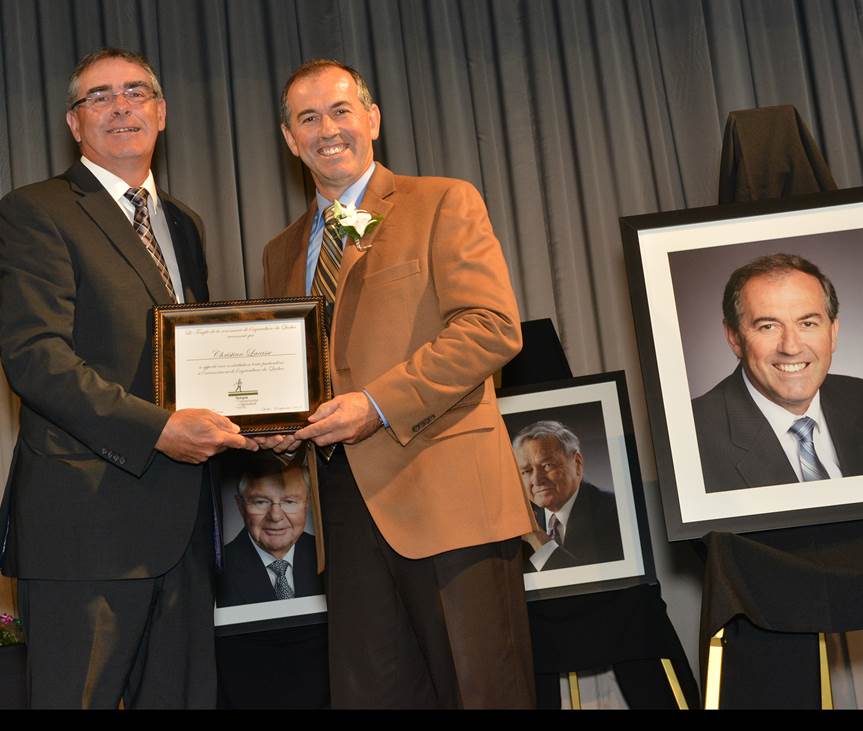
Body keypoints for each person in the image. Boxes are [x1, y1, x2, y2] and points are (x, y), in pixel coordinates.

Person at [257, 59, 536, 708]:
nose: (327, 129)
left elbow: (491, 329)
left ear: (372, 119)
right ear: (288, 138)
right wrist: (268, 427)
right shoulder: (280, 252)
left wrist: (377, 404)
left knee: (482, 694)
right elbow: (293, 377)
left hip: (449, 504)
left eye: (340, 110)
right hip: (343, 516)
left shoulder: (441, 201)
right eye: (308, 118)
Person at [0, 48, 256, 708]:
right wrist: (159, 428)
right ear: (74, 124)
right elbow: (36, 358)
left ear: (161, 113)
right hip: (85, 527)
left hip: (183, 528)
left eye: (136, 92)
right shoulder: (34, 211)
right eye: (99, 97)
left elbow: (195, 359)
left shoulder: (182, 224)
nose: (121, 106)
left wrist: (255, 420)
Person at [692, 254, 863, 492]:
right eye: (768, 326)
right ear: (734, 338)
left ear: (833, 333)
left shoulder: (858, 398)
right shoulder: (691, 437)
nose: (791, 347)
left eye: (807, 323)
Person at [512, 421, 623, 572]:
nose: (537, 480)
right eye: (526, 471)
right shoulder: (516, 524)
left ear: (577, 463)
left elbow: (584, 581)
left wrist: (536, 537)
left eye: (547, 465)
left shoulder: (615, 513)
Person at [217, 458, 322, 606]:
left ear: (308, 503)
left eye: (289, 501)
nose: (275, 516)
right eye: (261, 502)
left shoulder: (332, 556)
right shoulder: (216, 571)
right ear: (240, 506)